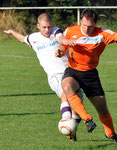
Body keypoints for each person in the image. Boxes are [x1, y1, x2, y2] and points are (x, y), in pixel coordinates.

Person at [55, 8, 117, 143]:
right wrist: (59, 52)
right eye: (84, 25)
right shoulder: (71, 31)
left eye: (90, 26)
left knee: (103, 110)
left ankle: (111, 134)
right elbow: (62, 48)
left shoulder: (102, 34)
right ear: (81, 22)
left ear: (95, 24)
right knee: (66, 86)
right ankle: (87, 119)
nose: (86, 28)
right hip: (73, 71)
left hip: (91, 75)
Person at [4, 13, 84, 142]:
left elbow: (60, 38)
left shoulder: (56, 31)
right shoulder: (34, 38)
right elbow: (23, 39)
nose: (47, 30)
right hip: (55, 75)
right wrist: (12, 32)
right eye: (44, 27)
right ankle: (65, 120)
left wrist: (64, 41)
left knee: (78, 107)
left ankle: (71, 131)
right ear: (38, 26)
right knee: (65, 93)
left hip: (72, 73)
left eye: (48, 27)